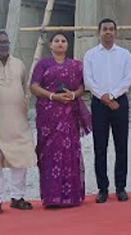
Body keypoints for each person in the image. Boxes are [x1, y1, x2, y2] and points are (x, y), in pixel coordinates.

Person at [30, 32, 92, 207]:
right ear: (50, 45)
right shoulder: (43, 64)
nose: (60, 43)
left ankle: (71, 197)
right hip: (48, 117)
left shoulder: (75, 65)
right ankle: (52, 197)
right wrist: (52, 96)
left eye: (63, 41)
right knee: (49, 154)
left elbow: (82, 86)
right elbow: (34, 86)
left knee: (69, 152)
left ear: (67, 45)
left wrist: (73, 94)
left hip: (68, 115)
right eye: (56, 41)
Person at [0, 30, 37, 215]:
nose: (3, 46)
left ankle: (17, 197)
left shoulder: (19, 64)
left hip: (18, 122)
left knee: (20, 160)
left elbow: (23, 88)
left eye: (6, 42)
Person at [83, 19, 131, 203]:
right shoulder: (90, 55)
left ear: (116, 33)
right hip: (99, 104)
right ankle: (102, 188)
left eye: (111, 29)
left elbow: (127, 79)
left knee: (121, 146)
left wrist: (112, 96)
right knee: (100, 147)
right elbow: (88, 81)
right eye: (105, 29)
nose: (108, 32)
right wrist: (104, 97)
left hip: (119, 103)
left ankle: (121, 187)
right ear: (99, 32)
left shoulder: (125, 54)